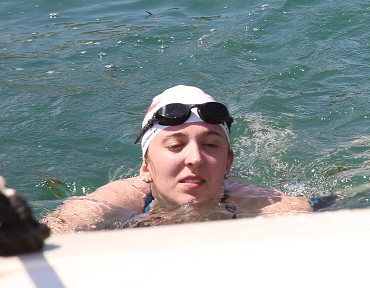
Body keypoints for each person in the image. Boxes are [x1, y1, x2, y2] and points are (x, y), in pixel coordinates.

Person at [43, 85, 312, 233]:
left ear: (228, 164)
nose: (195, 158)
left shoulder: (259, 203)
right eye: (175, 146)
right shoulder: (114, 202)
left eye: (210, 145)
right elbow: (49, 235)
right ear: (146, 167)